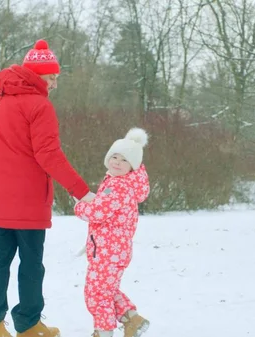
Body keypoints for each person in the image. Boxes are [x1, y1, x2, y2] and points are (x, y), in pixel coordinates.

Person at [0, 39, 96, 337]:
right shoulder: (39, 105)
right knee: (31, 264)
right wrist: (82, 191)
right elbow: (49, 155)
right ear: (35, 74)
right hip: (28, 203)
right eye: (51, 77)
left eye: (57, 77)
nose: (54, 84)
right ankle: (29, 325)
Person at [74, 128, 151, 337]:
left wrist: (80, 206)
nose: (117, 162)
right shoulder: (120, 183)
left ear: (132, 166)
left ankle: (104, 331)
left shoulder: (117, 186)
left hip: (108, 250)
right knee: (106, 290)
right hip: (113, 249)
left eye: (124, 160)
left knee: (96, 294)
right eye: (114, 156)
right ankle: (131, 318)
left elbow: (98, 212)